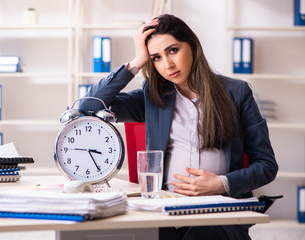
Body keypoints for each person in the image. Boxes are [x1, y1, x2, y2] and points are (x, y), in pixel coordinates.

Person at [79, 14, 278, 240]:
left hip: (220, 213)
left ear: (192, 46)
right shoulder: (153, 97)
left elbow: (267, 165)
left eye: (173, 50)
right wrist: (136, 61)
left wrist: (221, 183)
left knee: (204, 233)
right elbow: (89, 107)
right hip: (165, 212)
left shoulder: (237, 93)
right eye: (156, 58)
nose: (168, 65)